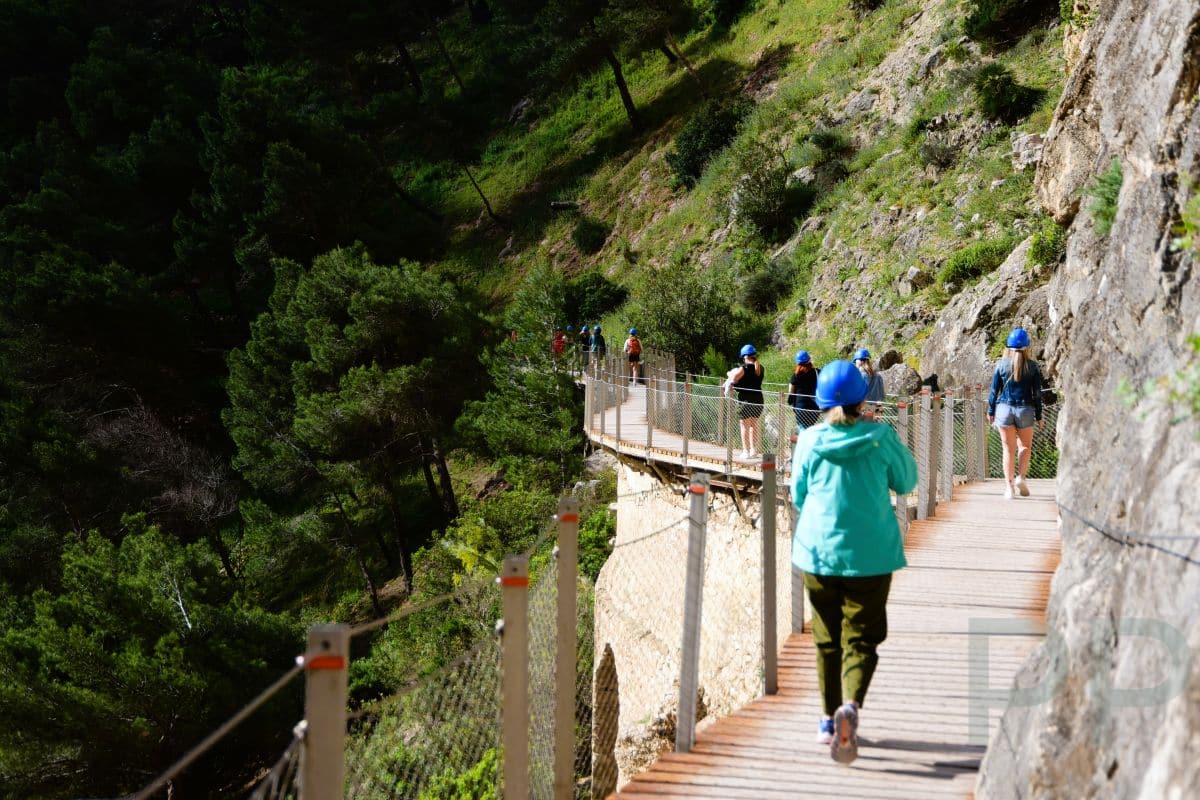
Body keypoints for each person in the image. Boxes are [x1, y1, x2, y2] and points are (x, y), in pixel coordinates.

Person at [790, 360, 918, 764]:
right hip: (871, 555)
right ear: (863, 399)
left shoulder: (809, 441)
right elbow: (908, 481)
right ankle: (852, 706)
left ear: (821, 401)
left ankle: (828, 720)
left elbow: (798, 495)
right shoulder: (880, 437)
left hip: (819, 552)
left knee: (826, 638)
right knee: (862, 638)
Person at [987, 327, 1045, 500]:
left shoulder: (1001, 364)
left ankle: (1009, 488)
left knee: (1008, 449)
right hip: (1025, 410)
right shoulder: (1033, 367)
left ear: (1009, 346)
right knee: (1024, 447)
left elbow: (993, 391)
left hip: (1004, 410)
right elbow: (1037, 394)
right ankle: (1021, 477)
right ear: (1026, 347)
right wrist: (1039, 416)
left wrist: (991, 411)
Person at [723, 344, 765, 460]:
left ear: (745, 356)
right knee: (754, 425)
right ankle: (753, 450)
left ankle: (745, 451)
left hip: (745, 400)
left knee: (744, 426)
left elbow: (734, 378)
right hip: (758, 399)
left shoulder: (744, 368)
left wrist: (728, 374)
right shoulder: (760, 368)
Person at [788, 350, 821, 430]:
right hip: (814, 406)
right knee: (810, 429)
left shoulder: (796, 375)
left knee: (802, 429)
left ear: (797, 362)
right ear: (809, 360)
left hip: (800, 407)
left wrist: (790, 400)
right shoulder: (817, 372)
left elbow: (791, 390)